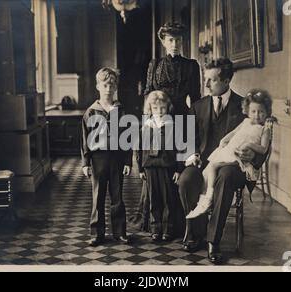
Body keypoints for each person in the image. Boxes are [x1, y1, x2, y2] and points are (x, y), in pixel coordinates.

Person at [177, 58, 267, 264]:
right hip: (203, 163)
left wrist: (254, 155)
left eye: (212, 80)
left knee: (225, 177)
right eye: (205, 79)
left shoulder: (245, 106)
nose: (206, 85)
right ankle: (196, 231)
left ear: (226, 80)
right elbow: (188, 140)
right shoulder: (198, 106)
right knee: (185, 180)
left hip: (233, 166)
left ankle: (213, 241)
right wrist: (193, 154)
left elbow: (262, 138)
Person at [130, 22, 201, 234]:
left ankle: (176, 223)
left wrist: (192, 124)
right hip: (158, 117)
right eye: (170, 40)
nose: (175, 44)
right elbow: (149, 95)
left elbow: (195, 98)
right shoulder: (155, 64)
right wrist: (146, 122)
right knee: (157, 167)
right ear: (163, 41)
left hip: (181, 118)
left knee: (176, 168)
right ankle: (155, 221)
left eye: (179, 39)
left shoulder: (192, 65)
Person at [186, 90, 273, 219]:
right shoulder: (245, 122)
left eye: (261, 112)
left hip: (239, 157)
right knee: (206, 171)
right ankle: (204, 202)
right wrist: (224, 140)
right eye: (253, 111)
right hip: (229, 150)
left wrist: (249, 146)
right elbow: (232, 133)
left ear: (267, 112)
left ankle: (210, 199)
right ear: (248, 111)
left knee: (215, 168)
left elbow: (263, 149)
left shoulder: (265, 129)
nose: (257, 115)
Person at [81, 67, 133, 247]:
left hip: (117, 158)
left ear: (116, 87)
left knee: (117, 196)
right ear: (98, 86)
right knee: (98, 196)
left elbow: (128, 137)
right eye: (105, 85)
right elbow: (85, 139)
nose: (108, 89)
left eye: (112, 85)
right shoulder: (91, 111)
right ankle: (97, 233)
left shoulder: (121, 110)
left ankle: (120, 232)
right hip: (98, 159)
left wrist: (128, 161)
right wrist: (86, 162)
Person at [137, 91, 183, 242]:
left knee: (169, 199)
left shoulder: (173, 126)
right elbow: (139, 149)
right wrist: (140, 168)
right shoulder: (146, 126)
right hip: (150, 167)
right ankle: (155, 228)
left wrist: (178, 169)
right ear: (150, 109)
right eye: (155, 108)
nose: (160, 112)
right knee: (154, 198)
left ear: (168, 107)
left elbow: (180, 149)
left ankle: (168, 228)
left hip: (167, 167)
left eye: (163, 108)